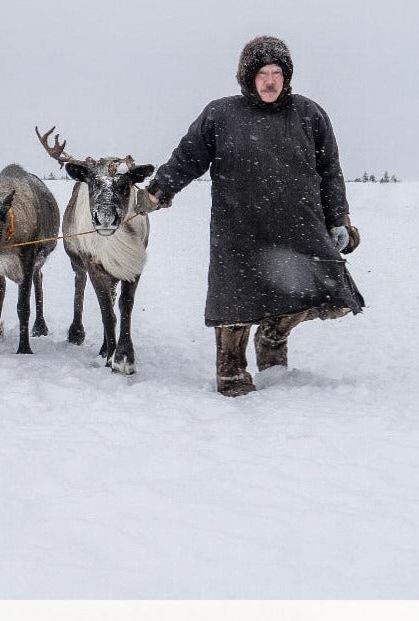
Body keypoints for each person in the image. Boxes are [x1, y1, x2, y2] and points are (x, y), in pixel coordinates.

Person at [145, 35, 364, 396]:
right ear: (247, 77)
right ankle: (232, 372)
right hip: (238, 228)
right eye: (262, 73)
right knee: (235, 302)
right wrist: (160, 190)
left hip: (298, 227)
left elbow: (329, 171)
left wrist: (338, 218)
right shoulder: (221, 114)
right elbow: (188, 158)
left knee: (327, 292)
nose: (270, 80)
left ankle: (273, 340)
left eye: (277, 72)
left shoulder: (309, 114)